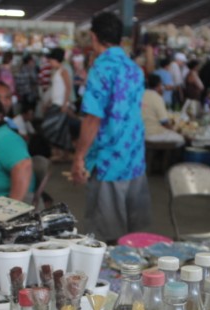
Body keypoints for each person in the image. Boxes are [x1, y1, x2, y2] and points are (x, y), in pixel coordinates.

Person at [71, 12, 151, 243]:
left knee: (106, 238)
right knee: (136, 236)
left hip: (109, 162)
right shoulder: (133, 68)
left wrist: (79, 157)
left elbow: (93, 118)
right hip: (135, 158)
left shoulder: (101, 68)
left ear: (93, 36)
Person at [42, 47, 73, 162]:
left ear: (56, 60)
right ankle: (62, 154)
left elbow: (68, 87)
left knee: (51, 127)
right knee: (61, 130)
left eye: (51, 60)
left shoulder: (63, 71)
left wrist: (65, 104)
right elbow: (55, 89)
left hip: (60, 105)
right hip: (56, 103)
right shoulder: (56, 72)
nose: (50, 63)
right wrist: (49, 101)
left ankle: (62, 153)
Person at [142, 73, 184, 147]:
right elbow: (164, 122)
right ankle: (165, 154)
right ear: (159, 85)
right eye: (162, 85)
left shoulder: (141, 94)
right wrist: (175, 130)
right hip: (152, 135)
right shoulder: (157, 98)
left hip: (140, 133)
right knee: (181, 139)